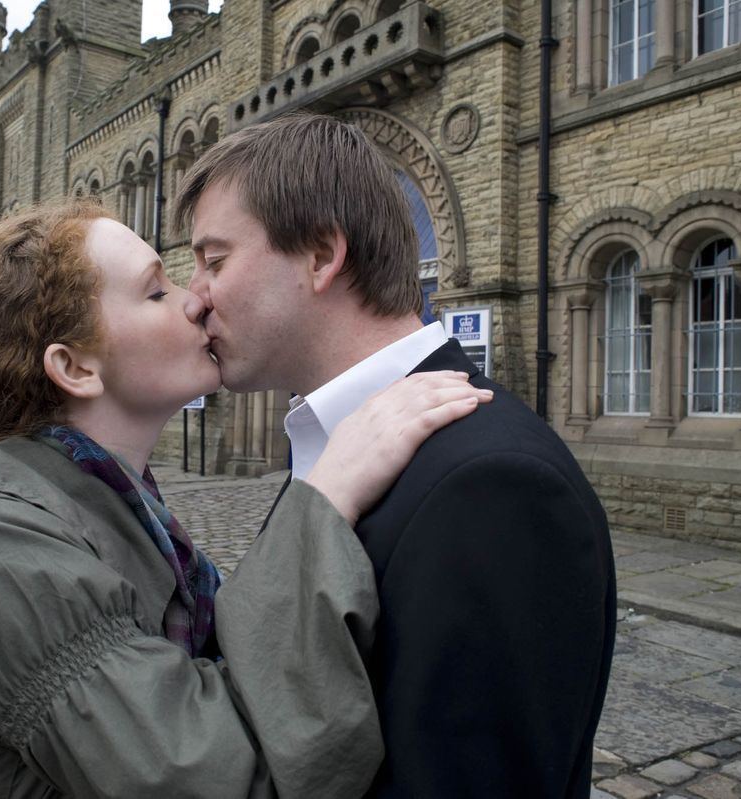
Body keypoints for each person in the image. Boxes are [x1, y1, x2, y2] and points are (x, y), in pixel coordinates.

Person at [0, 201, 491, 798]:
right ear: (74, 366)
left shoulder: (116, 504)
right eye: (156, 291)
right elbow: (225, 777)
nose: (195, 299)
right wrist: (323, 494)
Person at [175, 113, 617, 798]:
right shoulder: (334, 444)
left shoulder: (493, 485)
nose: (192, 299)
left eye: (214, 260)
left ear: (321, 255)